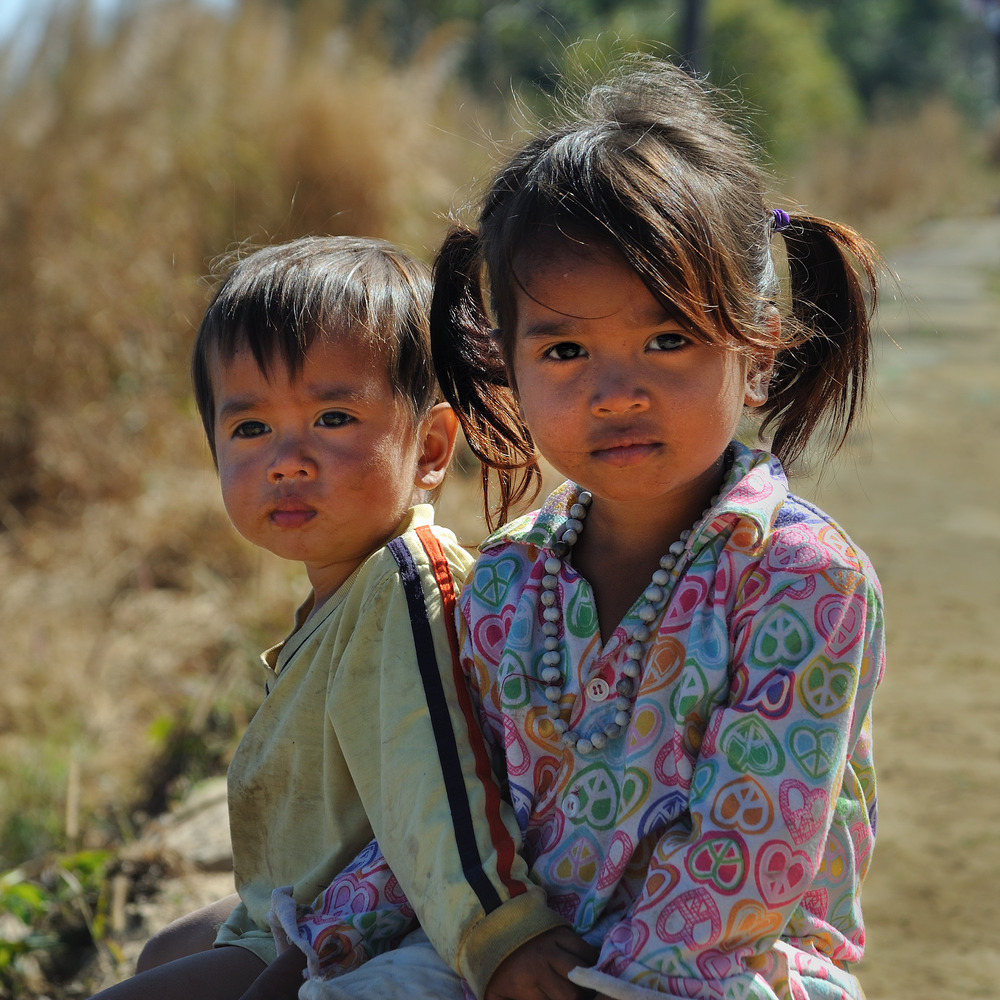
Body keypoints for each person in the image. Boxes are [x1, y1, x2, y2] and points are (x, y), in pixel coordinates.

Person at [276, 56, 887, 1000]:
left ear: (756, 353)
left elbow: (748, 860)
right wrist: (329, 937)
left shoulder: (802, 578)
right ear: (505, 368)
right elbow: (453, 814)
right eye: (564, 349)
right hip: (530, 954)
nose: (617, 390)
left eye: (667, 338)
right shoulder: (506, 582)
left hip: (716, 970)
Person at [88, 235, 570, 1000]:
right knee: (160, 954)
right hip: (295, 900)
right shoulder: (343, 591)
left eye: (334, 418)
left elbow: (439, 780)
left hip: (376, 918)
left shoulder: (409, 586)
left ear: (432, 447)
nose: (287, 459)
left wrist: (499, 935)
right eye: (251, 429)